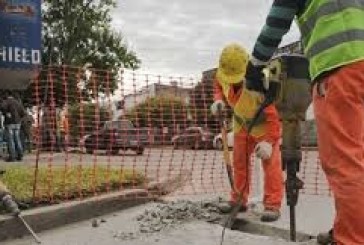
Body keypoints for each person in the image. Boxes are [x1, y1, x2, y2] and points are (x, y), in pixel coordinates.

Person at [245, 0, 364, 244]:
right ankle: (350, 226)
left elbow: (277, 20)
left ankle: (352, 238)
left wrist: (255, 66)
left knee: (345, 163)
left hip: (339, 67)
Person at [211, 43, 283, 222]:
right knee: (240, 163)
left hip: (263, 127)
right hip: (241, 124)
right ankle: (238, 200)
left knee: (271, 165)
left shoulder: (259, 82)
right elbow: (218, 86)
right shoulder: (222, 74)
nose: (233, 81)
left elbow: (273, 117)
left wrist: (269, 141)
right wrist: (218, 100)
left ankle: (272, 205)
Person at [1, 92, 26, 162]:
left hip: (9, 123)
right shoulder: (18, 102)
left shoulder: (7, 101)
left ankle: (12, 156)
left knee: (10, 140)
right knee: (17, 139)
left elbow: (2, 107)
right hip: (17, 123)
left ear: (7, 96)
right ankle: (20, 155)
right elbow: (23, 113)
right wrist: (19, 120)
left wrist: (6, 113)